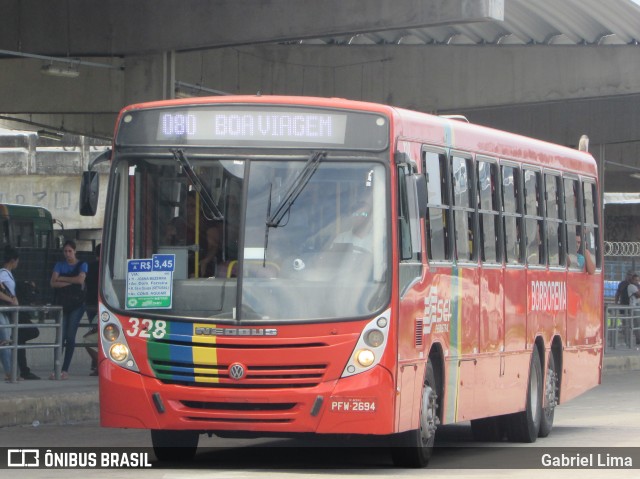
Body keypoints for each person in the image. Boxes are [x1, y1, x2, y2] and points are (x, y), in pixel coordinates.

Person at [49, 240, 88, 380]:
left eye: (70, 251)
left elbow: (80, 280)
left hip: (77, 304)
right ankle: (57, 368)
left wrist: (63, 279)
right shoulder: (59, 264)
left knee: (70, 336)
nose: (67, 254)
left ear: (75, 251)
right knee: (60, 336)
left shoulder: (82, 264)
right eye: (65, 251)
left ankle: (65, 368)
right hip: (63, 304)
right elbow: (53, 283)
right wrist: (71, 280)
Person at [0, 245, 19, 381]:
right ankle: (9, 371)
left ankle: (10, 371)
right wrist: (11, 300)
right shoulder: (3, 273)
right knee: (5, 340)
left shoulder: (7, 274)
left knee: (7, 339)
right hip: (2, 309)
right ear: (14, 260)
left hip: (5, 310)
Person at [83, 243, 101, 376]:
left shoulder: (89, 266)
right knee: (101, 335)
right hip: (102, 303)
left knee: (93, 332)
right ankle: (98, 364)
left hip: (90, 303)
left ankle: (95, 363)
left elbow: (85, 284)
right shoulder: (108, 267)